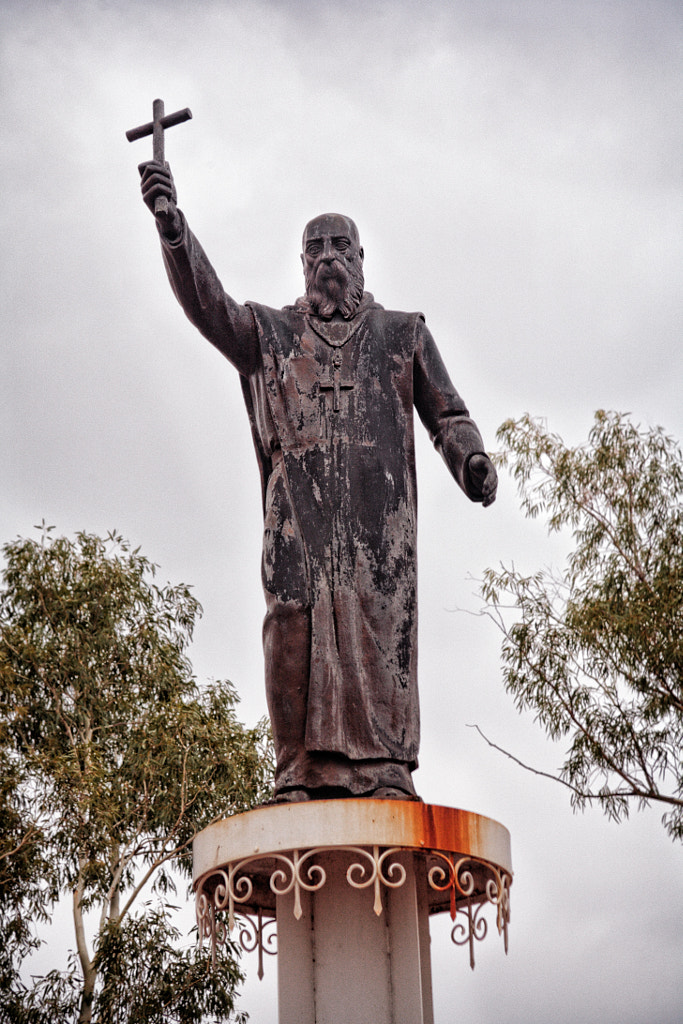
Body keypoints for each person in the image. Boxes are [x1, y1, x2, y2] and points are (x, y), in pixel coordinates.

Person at [138, 161, 497, 801]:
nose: (328, 258)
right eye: (315, 249)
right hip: (297, 520)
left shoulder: (400, 334)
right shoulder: (272, 335)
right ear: (302, 264)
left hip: (377, 524)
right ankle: (297, 771)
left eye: (340, 246)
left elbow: (449, 413)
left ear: (361, 258)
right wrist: (174, 231)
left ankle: (387, 767)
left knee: (383, 622)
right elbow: (210, 309)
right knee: (291, 625)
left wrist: (469, 459)